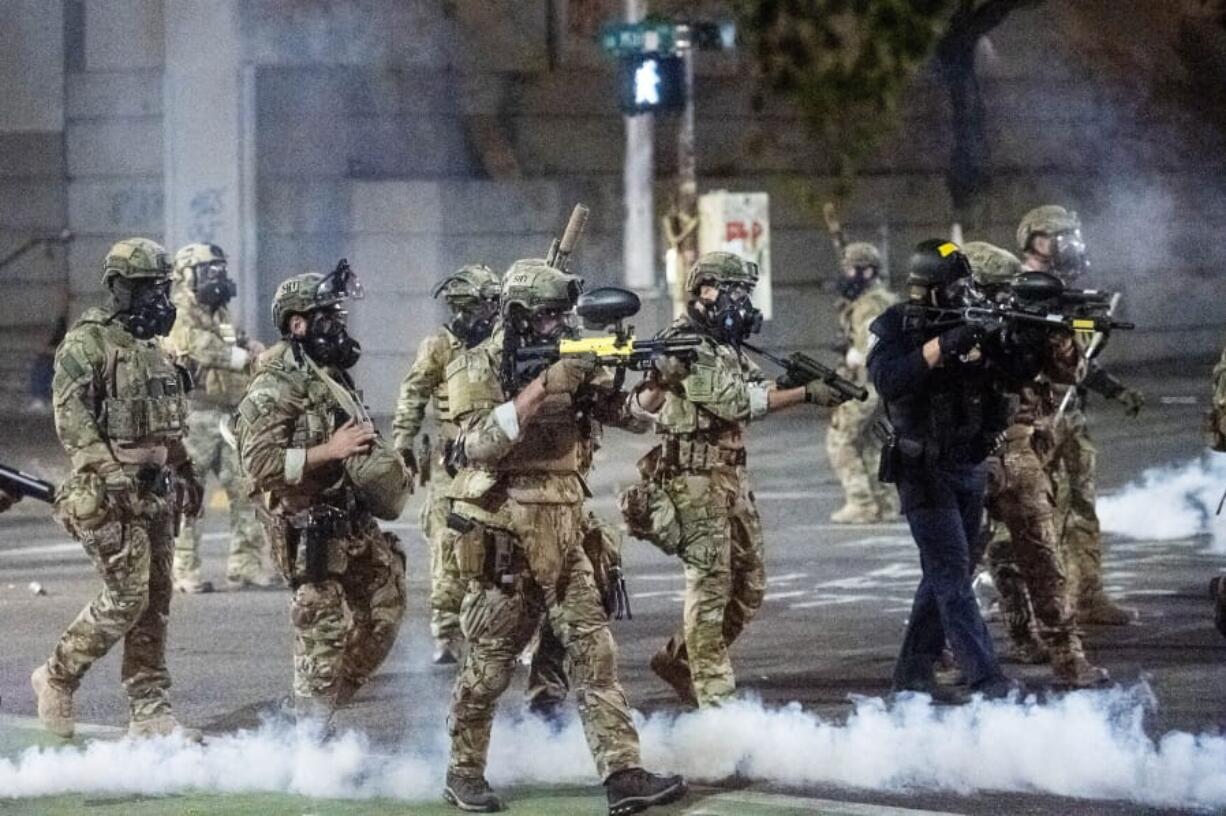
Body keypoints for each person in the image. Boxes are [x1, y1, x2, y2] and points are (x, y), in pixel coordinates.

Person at [442, 257, 685, 814]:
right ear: (523, 315)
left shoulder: (573, 358)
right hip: (504, 534)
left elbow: (627, 414)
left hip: (567, 532)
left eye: (565, 316)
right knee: (487, 669)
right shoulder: (476, 364)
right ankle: (462, 771)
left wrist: (654, 384)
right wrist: (542, 387)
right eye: (551, 317)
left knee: (594, 655)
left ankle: (623, 773)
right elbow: (475, 444)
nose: (563, 327)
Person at [628, 251, 851, 708]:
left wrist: (791, 382)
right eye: (736, 293)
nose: (743, 304)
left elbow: (753, 388)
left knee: (747, 588)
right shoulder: (685, 344)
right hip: (692, 482)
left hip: (728, 479)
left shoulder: (721, 345)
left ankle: (678, 661)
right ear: (706, 290)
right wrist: (805, 393)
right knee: (709, 593)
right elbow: (733, 403)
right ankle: (719, 708)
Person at [32, 238, 204, 740]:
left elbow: (165, 426)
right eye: (146, 287)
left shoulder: (153, 351)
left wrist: (186, 469)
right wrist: (112, 479)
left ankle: (150, 712)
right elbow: (73, 422)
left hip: (155, 494)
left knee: (155, 599)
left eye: (161, 286)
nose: (157, 297)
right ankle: (57, 675)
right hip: (107, 495)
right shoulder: (87, 344)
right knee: (127, 596)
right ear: (118, 288)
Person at [235, 265, 409, 726]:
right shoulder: (275, 386)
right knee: (321, 636)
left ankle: (327, 703)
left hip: (350, 519)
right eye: (328, 316)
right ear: (298, 324)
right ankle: (309, 742)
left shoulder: (329, 376)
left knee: (386, 609)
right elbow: (259, 464)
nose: (339, 326)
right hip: (307, 526)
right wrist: (327, 452)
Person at [867, 239, 1016, 699]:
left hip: (967, 463)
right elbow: (888, 379)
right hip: (922, 469)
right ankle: (986, 679)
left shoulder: (971, 321)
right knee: (952, 575)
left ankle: (910, 677)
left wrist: (1002, 341)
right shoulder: (897, 325)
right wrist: (944, 345)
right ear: (930, 289)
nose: (964, 296)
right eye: (955, 288)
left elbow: (1011, 379)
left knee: (944, 572)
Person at [967, 242, 1108, 686]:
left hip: (1019, 448)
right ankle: (950, 650)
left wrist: (1056, 334)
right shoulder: (957, 328)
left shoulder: (1022, 326)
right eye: (996, 291)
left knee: (1040, 556)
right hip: (967, 453)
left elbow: (1073, 375)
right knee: (959, 565)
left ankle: (1067, 657)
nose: (1006, 300)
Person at [1017, 205, 1141, 626]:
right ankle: (1035, 605)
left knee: (1081, 507)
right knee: (1035, 514)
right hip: (1035, 419)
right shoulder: (1019, 290)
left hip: (1071, 418)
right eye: (1059, 236)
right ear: (1036, 240)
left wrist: (1113, 389)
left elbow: (1078, 362)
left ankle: (1086, 594)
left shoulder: (1068, 291)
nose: (1069, 245)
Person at [392, 264, 500, 664]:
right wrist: (402, 442)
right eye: (485, 305)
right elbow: (414, 391)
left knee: (499, 543)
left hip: (492, 455)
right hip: (448, 462)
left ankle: (501, 628)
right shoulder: (439, 346)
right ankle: (447, 633)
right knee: (445, 544)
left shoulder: (501, 341)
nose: (492, 313)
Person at [165, 242, 270, 593]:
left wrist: (249, 345)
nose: (217, 278)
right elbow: (198, 346)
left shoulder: (220, 312)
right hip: (194, 415)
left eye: (219, 270)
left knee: (246, 488)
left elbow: (231, 341)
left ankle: (246, 564)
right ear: (186, 275)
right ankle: (183, 570)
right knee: (189, 494)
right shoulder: (177, 311)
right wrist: (242, 357)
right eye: (208, 271)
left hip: (229, 414)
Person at [827, 242, 899, 523]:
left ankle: (861, 502)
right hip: (883, 384)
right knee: (870, 443)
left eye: (850, 269)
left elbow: (868, 346)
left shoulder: (869, 305)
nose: (846, 275)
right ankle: (886, 504)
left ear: (867, 271)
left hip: (864, 385)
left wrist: (850, 354)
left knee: (840, 440)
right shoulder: (885, 299)